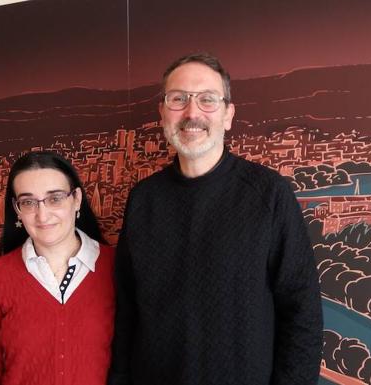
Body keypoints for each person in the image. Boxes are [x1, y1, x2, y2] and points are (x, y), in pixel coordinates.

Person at [108, 53, 322, 385]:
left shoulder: (269, 195)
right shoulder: (143, 199)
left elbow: (302, 314)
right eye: (178, 99)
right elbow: (127, 311)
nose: (192, 113)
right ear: (163, 113)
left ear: (228, 115)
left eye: (208, 100)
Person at [0, 151, 115, 385]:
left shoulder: (115, 267)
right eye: (28, 202)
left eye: (55, 198)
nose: (42, 215)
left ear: (76, 199)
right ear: (17, 210)